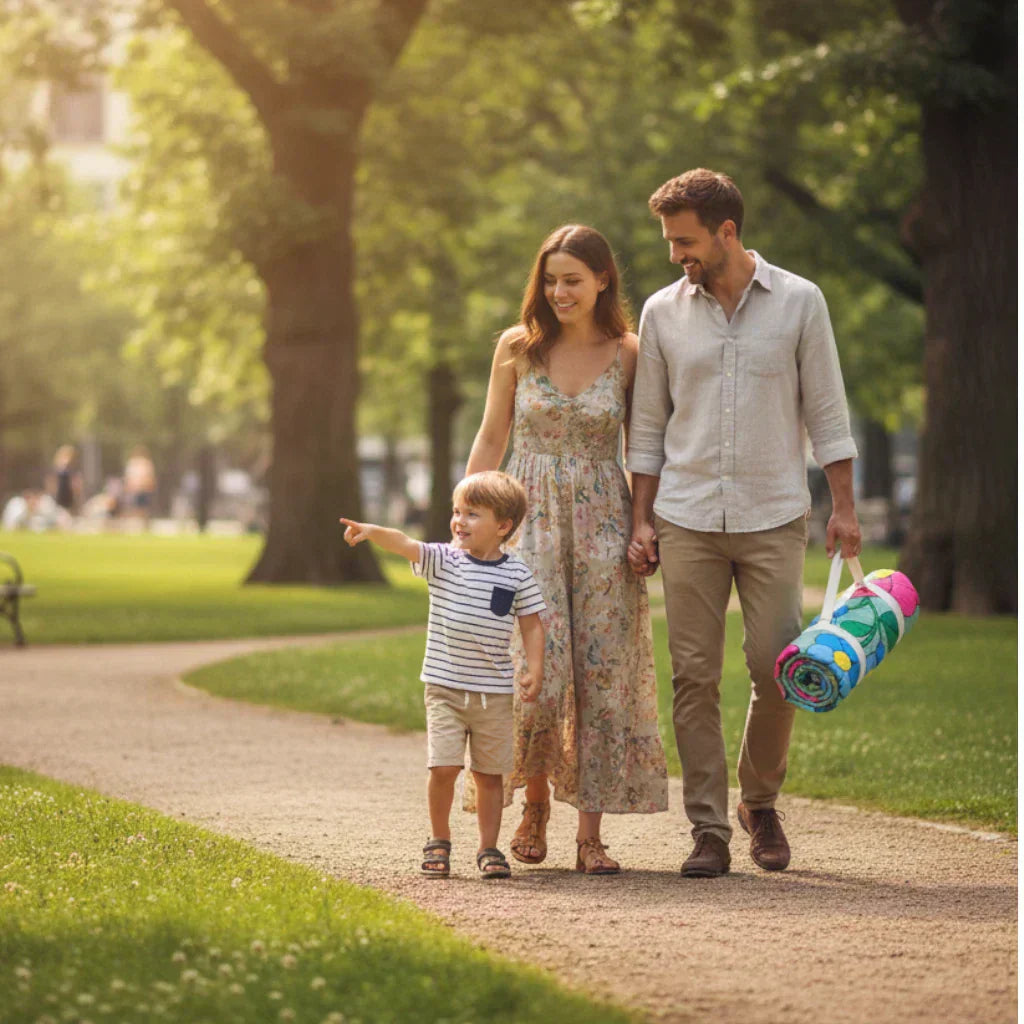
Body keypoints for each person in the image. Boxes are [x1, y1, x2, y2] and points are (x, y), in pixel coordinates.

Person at [627, 168, 861, 877]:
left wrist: (844, 507)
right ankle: (709, 828)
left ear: (728, 231)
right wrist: (641, 518)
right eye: (670, 242)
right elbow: (646, 426)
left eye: (686, 240)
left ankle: (759, 803)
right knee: (693, 676)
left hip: (772, 512)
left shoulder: (799, 302)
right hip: (688, 516)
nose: (676, 255)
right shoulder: (662, 312)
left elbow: (827, 410)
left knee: (777, 667)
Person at [466, 224, 668, 876]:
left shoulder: (630, 353)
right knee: (537, 669)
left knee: (602, 672)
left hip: (604, 527)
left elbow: (644, 451)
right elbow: (492, 434)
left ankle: (591, 834)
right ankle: (533, 806)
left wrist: (644, 524)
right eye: (550, 280)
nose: (559, 292)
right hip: (527, 527)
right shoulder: (517, 348)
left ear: (603, 279)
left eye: (572, 280)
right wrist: (467, 516)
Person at [340, 470, 546, 880]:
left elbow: (532, 624)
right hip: (445, 688)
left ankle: (488, 848)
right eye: (456, 512)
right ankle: (439, 840)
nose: (458, 521)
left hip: (493, 695)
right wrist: (370, 531)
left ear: (503, 526)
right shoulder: (443, 560)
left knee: (489, 775)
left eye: (472, 514)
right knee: (443, 768)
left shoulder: (517, 573)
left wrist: (535, 668)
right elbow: (404, 543)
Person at [47, 445, 82, 523]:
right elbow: (51, 484)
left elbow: (77, 486)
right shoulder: (56, 470)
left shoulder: (73, 470)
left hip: (69, 499)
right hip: (58, 499)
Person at [123, 445, 157, 526]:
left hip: (144, 488)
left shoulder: (146, 463)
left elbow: (150, 477)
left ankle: (144, 524)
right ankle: (137, 524)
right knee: (135, 507)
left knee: (144, 507)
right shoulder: (132, 463)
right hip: (135, 488)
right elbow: (129, 477)